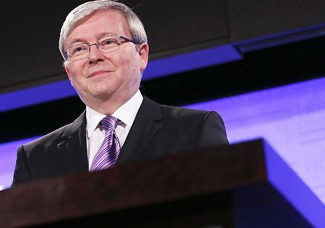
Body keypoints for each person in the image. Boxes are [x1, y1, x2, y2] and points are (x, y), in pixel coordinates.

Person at [12, 0, 228, 186]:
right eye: (79, 49)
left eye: (107, 42)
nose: (93, 56)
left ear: (141, 54)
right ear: (69, 72)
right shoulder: (35, 159)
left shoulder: (194, 130)